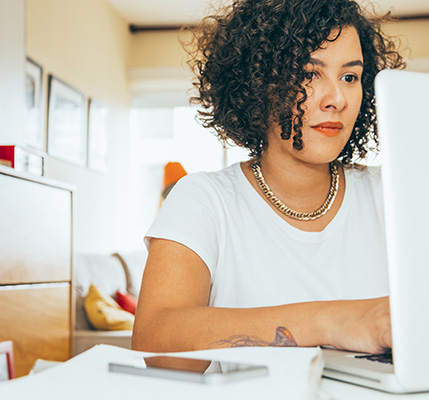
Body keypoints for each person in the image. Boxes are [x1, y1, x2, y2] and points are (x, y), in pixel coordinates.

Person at [132, 0, 404, 355]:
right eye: (308, 73)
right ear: (259, 84)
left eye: (350, 77)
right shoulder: (203, 200)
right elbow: (156, 344)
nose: (336, 98)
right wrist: (332, 321)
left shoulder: (394, 194)